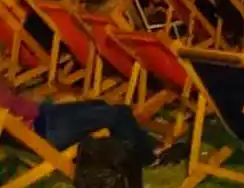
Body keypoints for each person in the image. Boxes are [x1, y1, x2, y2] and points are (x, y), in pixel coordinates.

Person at [0, 76, 184, 167]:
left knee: (103, 106)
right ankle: (149, 156)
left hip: (44, 119)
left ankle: (146, 147)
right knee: (117, 114)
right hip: (46, 128)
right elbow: (18, 105)